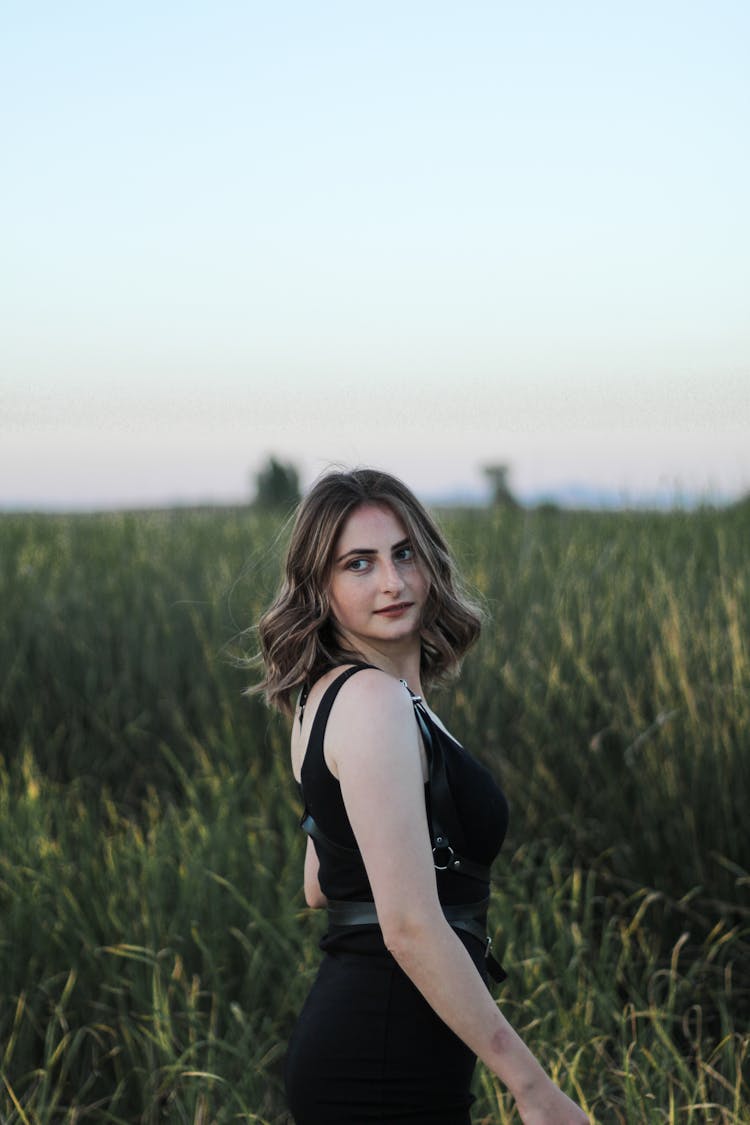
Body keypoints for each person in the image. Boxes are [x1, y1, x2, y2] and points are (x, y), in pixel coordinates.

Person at [254, 468, 589, 1125]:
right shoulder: (375, 702)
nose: (393, 581)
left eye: (404, 553)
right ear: (320, 586)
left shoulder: (323, 697)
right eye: (359, 563)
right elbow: (407, 924)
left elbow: (320, 882)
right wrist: (534, 1088)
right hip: (382, 1059)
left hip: (377, 1043)